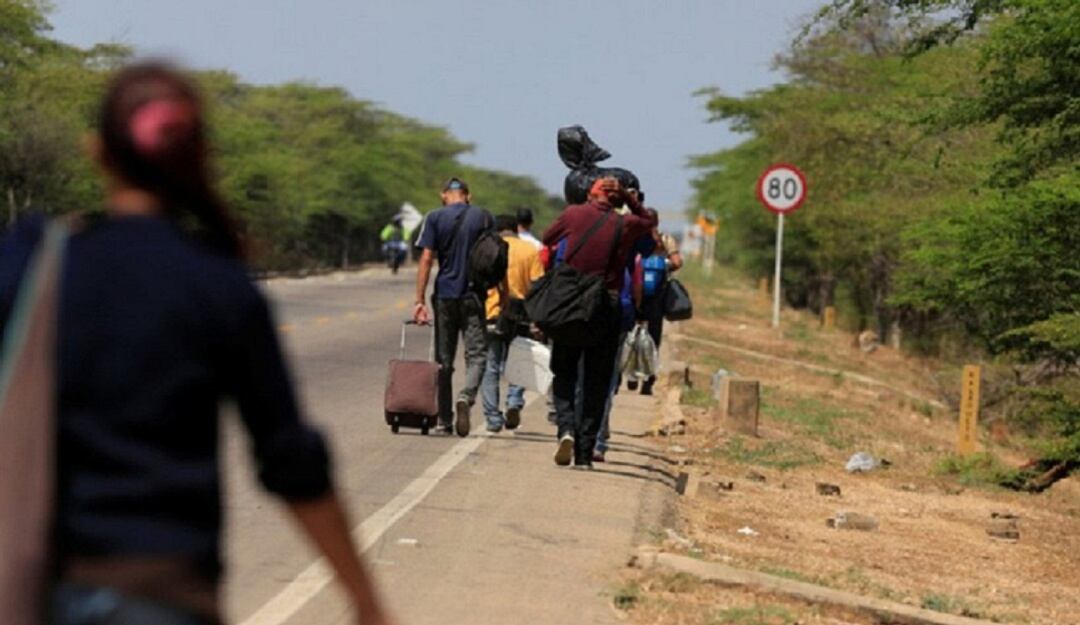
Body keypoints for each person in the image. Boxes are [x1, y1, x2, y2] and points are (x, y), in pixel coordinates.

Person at [0, 63, 391, 625]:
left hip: (38, 590)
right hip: (165, 593)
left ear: (97, 153)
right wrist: (365, 600)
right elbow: (289, 459)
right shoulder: (218, 285)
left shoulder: (33, 262)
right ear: (199, 159)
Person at [541, 177, 656, 468]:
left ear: (591, 194)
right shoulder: (625, 225)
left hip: (570, 304)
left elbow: (546, 237)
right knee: (596, 381)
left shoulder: (574, 214)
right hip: (606, 305)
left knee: (564, 372)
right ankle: (584, 453)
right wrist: (630, 199)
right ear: (616, 198)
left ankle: (565, 429)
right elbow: (648, 220)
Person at [413, 177, 494, 437]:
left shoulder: (434, 217)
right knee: (477, 355)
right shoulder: (483, 217)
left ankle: (445, 421)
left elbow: (426, 259)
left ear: (444, 195)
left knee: (443, 361)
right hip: (474, 295)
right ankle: (466, 396)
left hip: (444, 295)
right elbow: (494, 256)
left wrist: (419, 300)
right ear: (468, 196)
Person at [481, 214, 544, 433]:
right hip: (521, 311)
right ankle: (514, 402)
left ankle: (492, 418)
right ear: (516, 229)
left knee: (491, 365)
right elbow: (537, 285)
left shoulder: (488, 248)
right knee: (519, 359)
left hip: (492, 309)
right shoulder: (530, 250)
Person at [630, 214, 683, 395]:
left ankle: (630, 374)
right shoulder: (665, 239)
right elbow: (677, 262)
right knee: (654, 339)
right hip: (657, 300)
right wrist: (665, 267)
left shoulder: (633, 238)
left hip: (635, 296)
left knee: (629, 335)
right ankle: (648, 380)